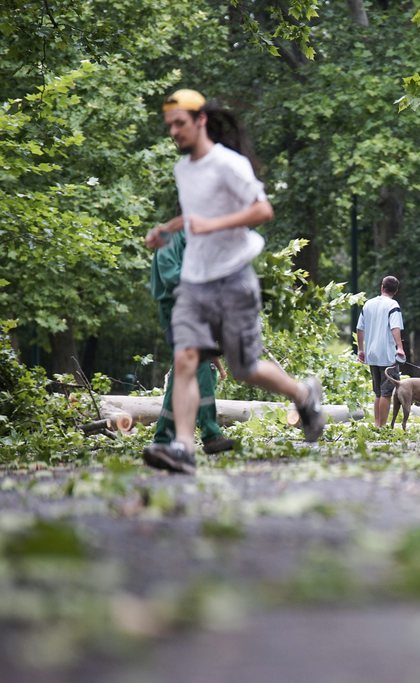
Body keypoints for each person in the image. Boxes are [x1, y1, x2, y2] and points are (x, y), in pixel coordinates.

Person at [142, 88, 325, 474]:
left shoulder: (229, 164)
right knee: (187, 359)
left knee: (244, 368)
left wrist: (214, 225)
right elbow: (195, 215)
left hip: (233, 277)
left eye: (180, 124)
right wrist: (168, 230)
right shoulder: (183, 169)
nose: (173, 132)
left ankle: (303, 394)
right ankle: (183, 448)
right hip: (194, 280)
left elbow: (263, 210)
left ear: (200, 120)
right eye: (169, 126)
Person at [143, 230, 235, 458]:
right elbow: (172, 277)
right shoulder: (170, 240)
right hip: (177, 310)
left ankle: (163, 437)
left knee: (182, 374)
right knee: (201, 367)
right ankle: (211, 434)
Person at [356, 275, 406, 428]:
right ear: (395, 291)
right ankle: (382, 427)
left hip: (371, 354)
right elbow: (395, 327)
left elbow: (359, 328)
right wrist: (400, 347)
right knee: (386, 393)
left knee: (378, 393)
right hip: (387, 356)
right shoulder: (393, 305)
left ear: (381, 287)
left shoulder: (368, 304)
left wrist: (360, 349)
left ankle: (377, 425)